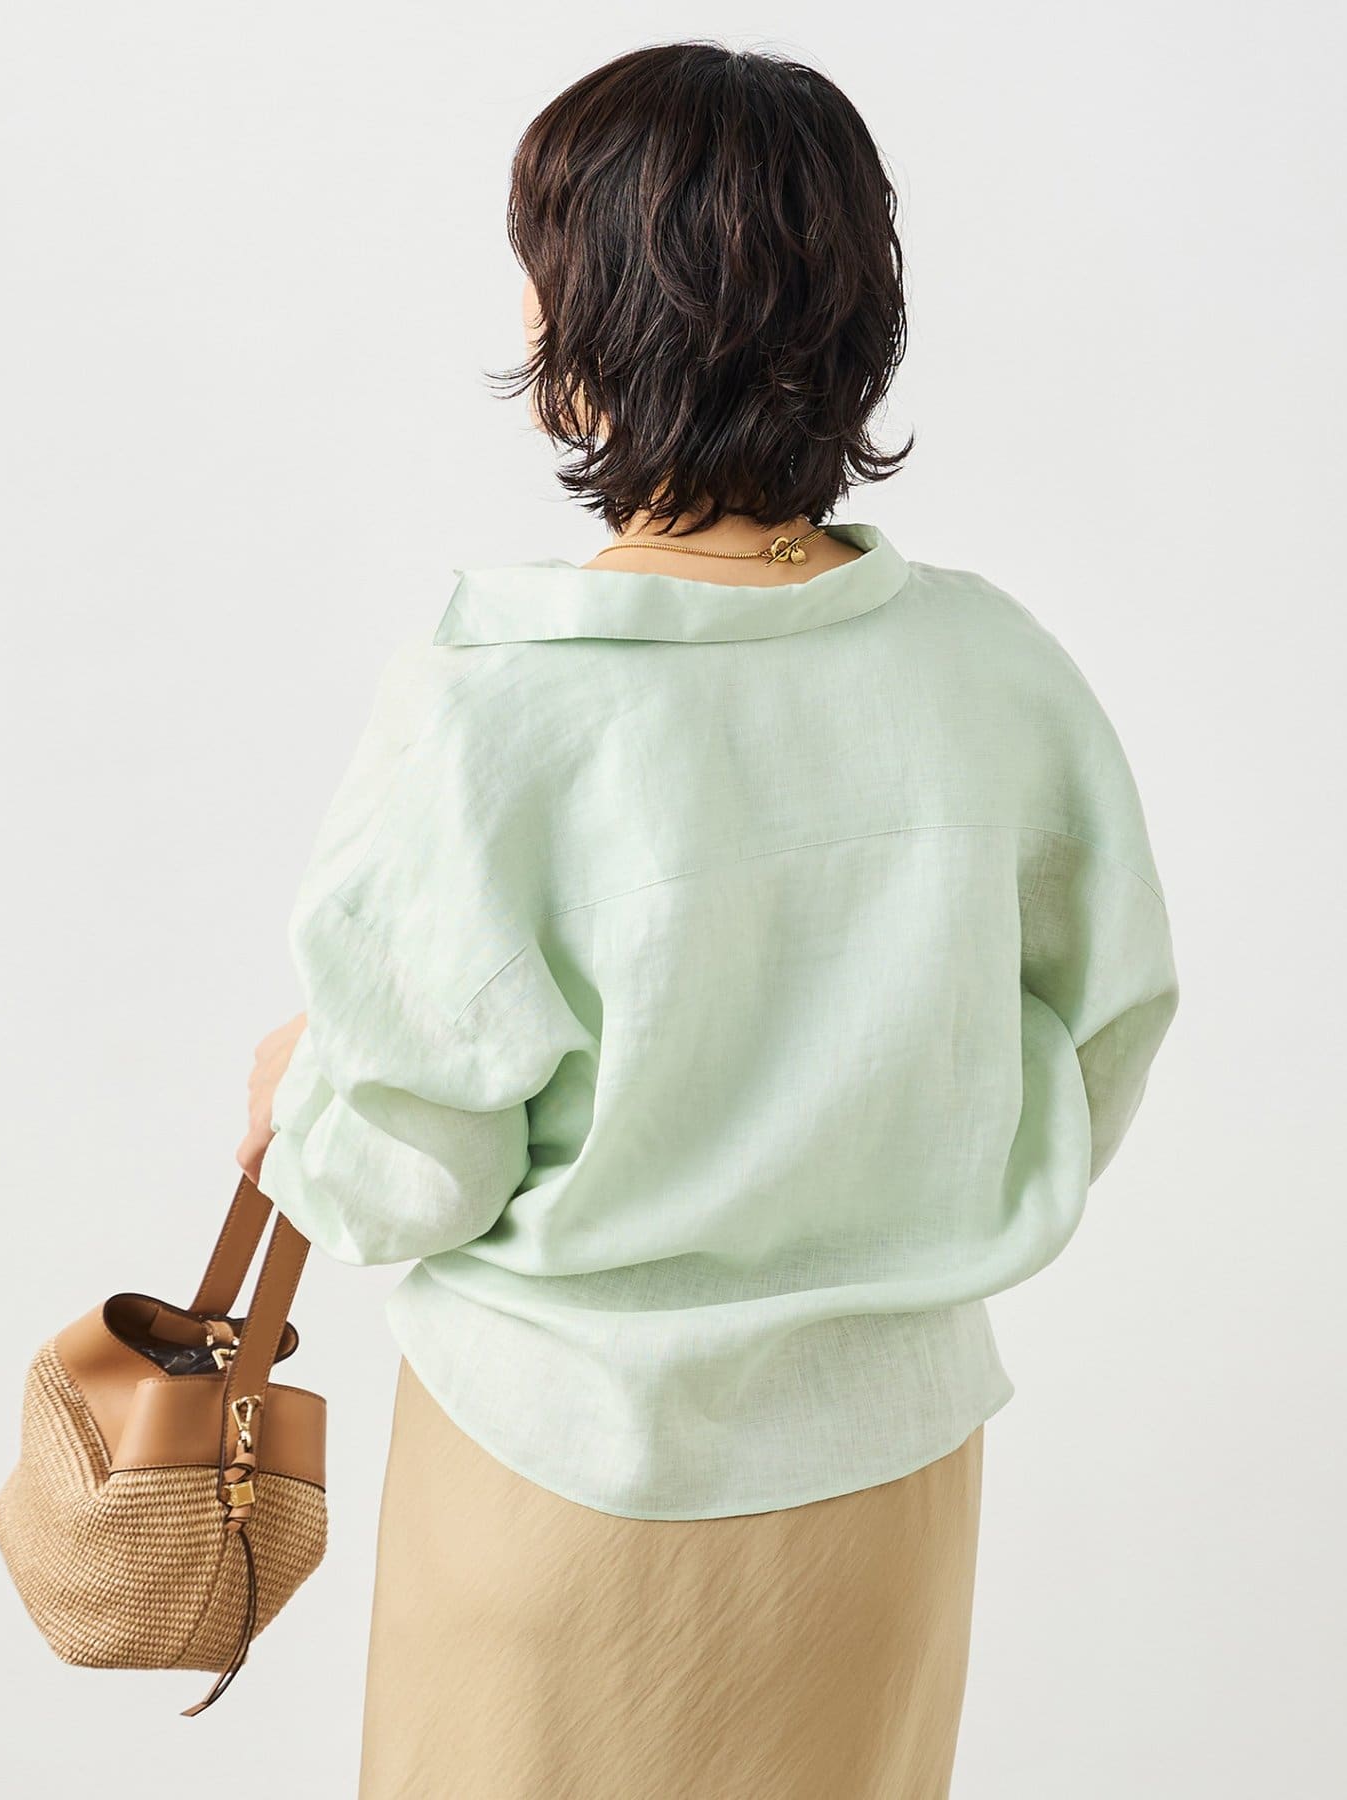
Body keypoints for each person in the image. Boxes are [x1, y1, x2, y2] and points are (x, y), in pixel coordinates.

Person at [238, 41, 1179, 1799]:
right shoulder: (997, 674)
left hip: (564, 1488)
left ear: (596, 323)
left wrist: (299, 1096)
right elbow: (1103, 1032)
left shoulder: (500, 704)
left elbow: (402, 1171)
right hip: (885, 1499)